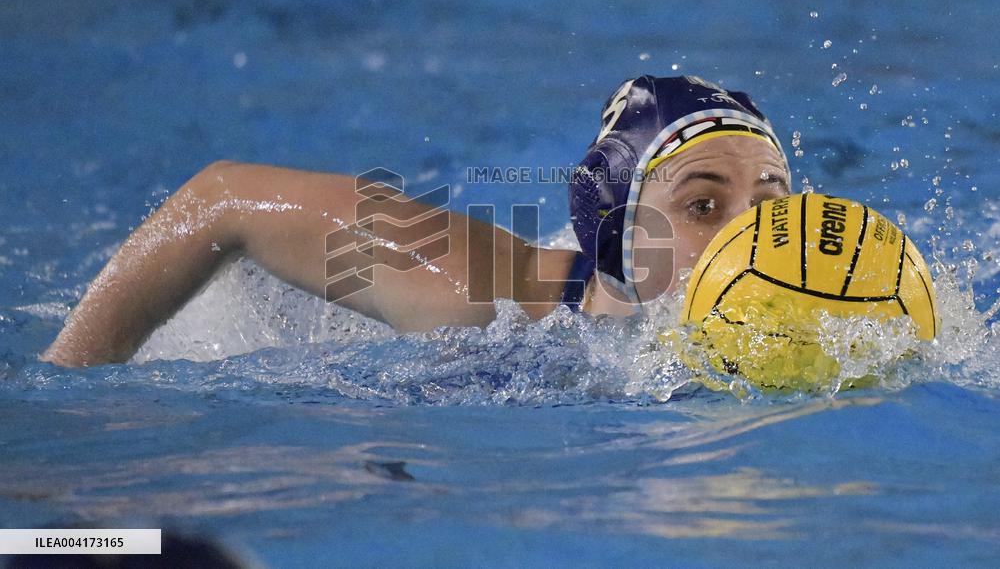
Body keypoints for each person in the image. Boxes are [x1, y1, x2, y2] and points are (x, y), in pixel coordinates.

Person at [40, 75, 792, 367]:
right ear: (614, 225)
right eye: (702, 205)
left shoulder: (822, 304)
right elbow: (221, 197)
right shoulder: (480, 292)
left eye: (770, 203)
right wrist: (68, 386)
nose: (748, 234)